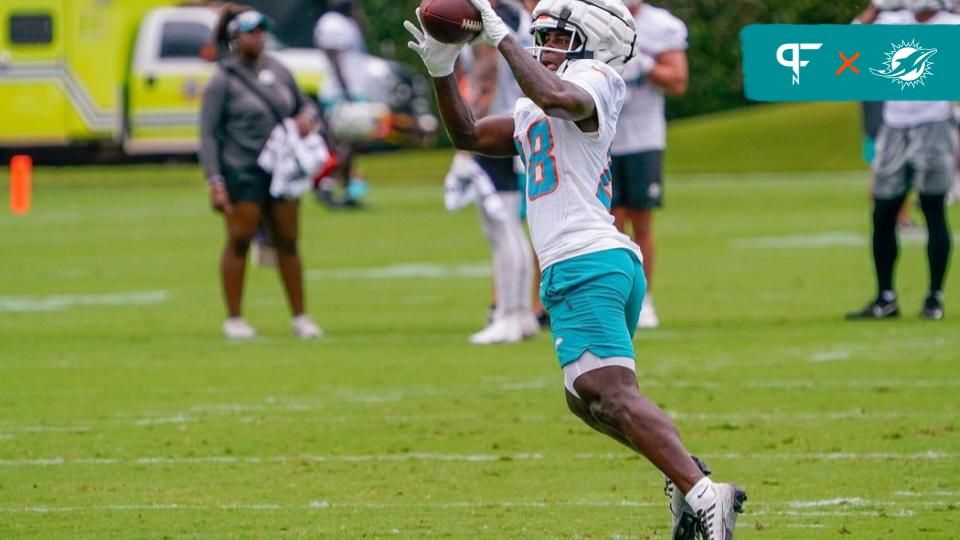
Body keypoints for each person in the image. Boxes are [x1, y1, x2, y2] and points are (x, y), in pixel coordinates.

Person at [405, 0, 746, 537]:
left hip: (585, 259)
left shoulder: (597, 78)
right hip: (587, 261)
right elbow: (468, 135)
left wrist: (502, 40)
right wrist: (442, 68)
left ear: (591, 38)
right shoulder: (535, 101)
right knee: (588, 401)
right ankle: (688, 479)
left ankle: (704, 494)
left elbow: (555, 95)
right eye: (539, 36)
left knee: (609, 393)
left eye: (556, 37)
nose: (545, 45)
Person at [200, 8, 324, 340]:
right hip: (242, 169)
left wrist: (307, 120)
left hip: (282, 170)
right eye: (251, 32)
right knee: (239, 240)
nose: (259, 37)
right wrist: (215, 181)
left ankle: (300, 317)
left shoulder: (279, 69)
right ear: (235, 38)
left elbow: (306, 106)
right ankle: (235, 319)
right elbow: (209, 135)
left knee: (288, 241)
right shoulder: (223, 80)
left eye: (261, 32)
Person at [847, 0, 960, 321]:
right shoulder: (892, 22)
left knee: (934, 209)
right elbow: (848, 43)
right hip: (894, 126)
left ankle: (934, 297)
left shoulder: (950, 26)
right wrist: (875, 6)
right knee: (883, 212)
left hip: (934, 125)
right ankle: (886, 296)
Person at [461, 0, 538, 344]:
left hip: (496, 126)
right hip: (518, 122)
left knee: (501, 227)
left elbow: (486, 79)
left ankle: (509, 313)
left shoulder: (491, 17)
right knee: (510, 225)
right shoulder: (516, 15)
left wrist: (464, 148)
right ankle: (520, 314)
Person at [610, 0, 688, 330]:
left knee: (641, 221)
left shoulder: (661, 24)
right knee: (609, 224)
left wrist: (643, 64)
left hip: (643, 136)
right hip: (602, 135)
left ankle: (643, 299)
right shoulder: (596, 15)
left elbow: (678, 81)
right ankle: (613, 299)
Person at [313, 0, 370, 208]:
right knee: (342, 144)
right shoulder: (331, 22)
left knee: (352, 144)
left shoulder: (348, 23)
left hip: (354, 91)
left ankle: (346, 191)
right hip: (338, 92)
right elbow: (333, 57)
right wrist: (345, 90)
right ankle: (325, 184)